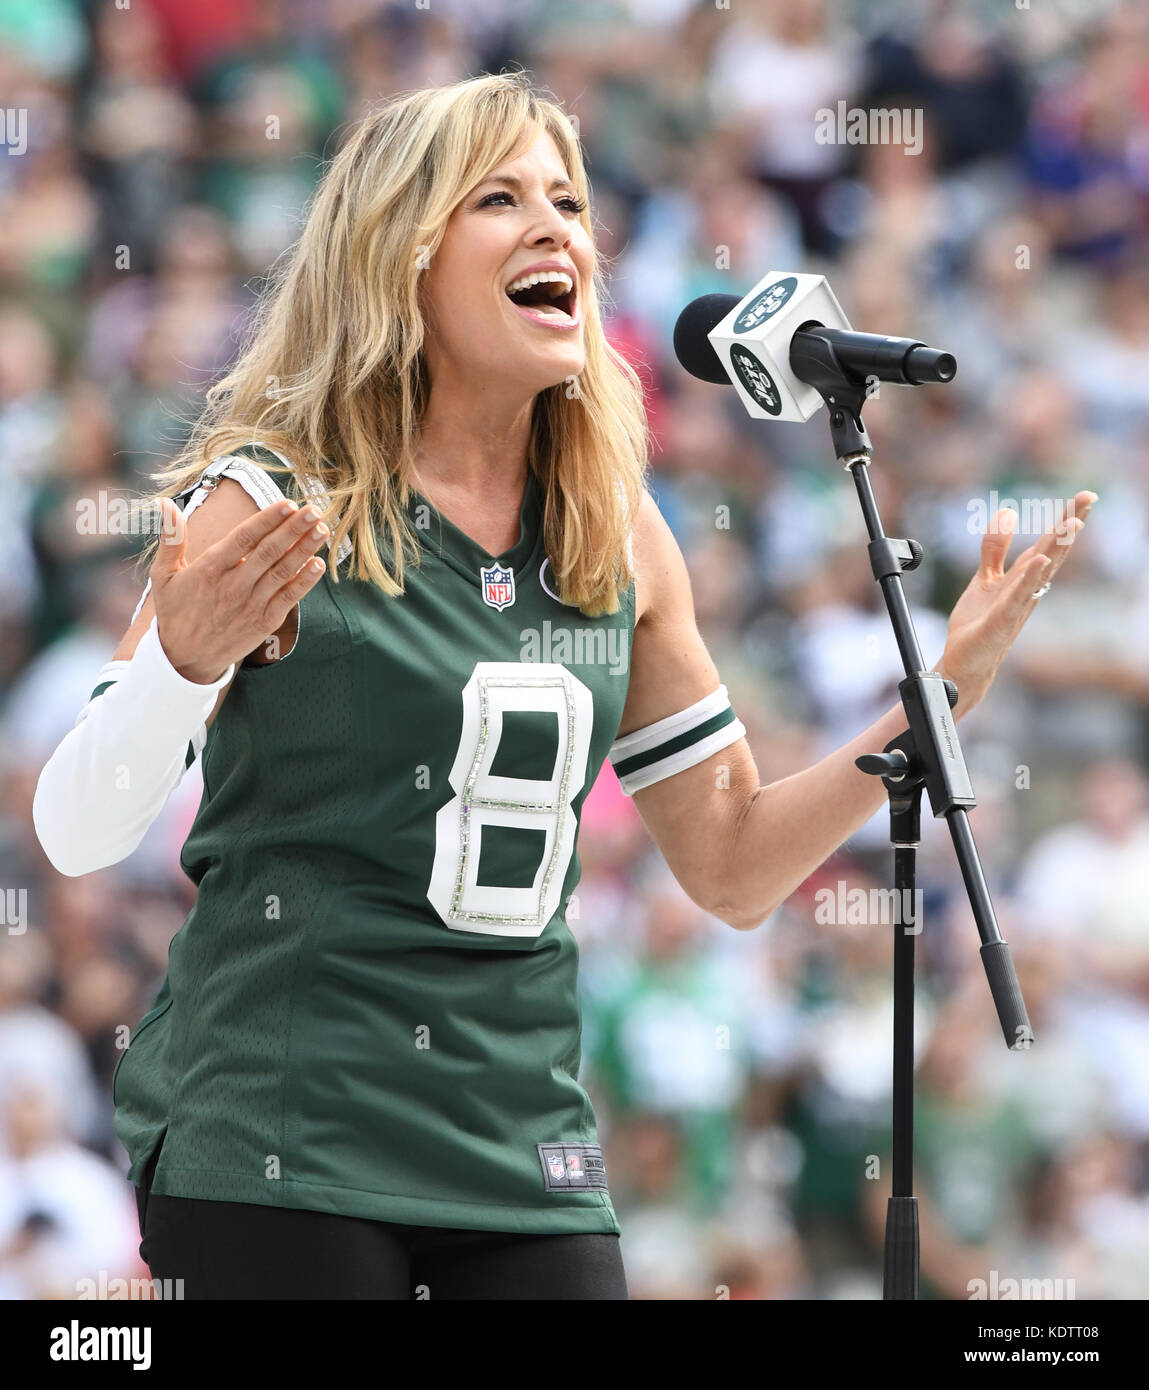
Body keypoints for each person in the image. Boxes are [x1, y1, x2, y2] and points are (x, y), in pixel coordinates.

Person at [31, 71, 1096, 1301]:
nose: (556, 229)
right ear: (400, 257)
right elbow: (72, 829)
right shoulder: (275, 496)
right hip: (283, 1126)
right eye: (500, 199)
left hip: (518, 1134)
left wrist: (939, 695)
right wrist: (181, 659)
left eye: (570, 202)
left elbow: (735, 864)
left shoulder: (619, 533)